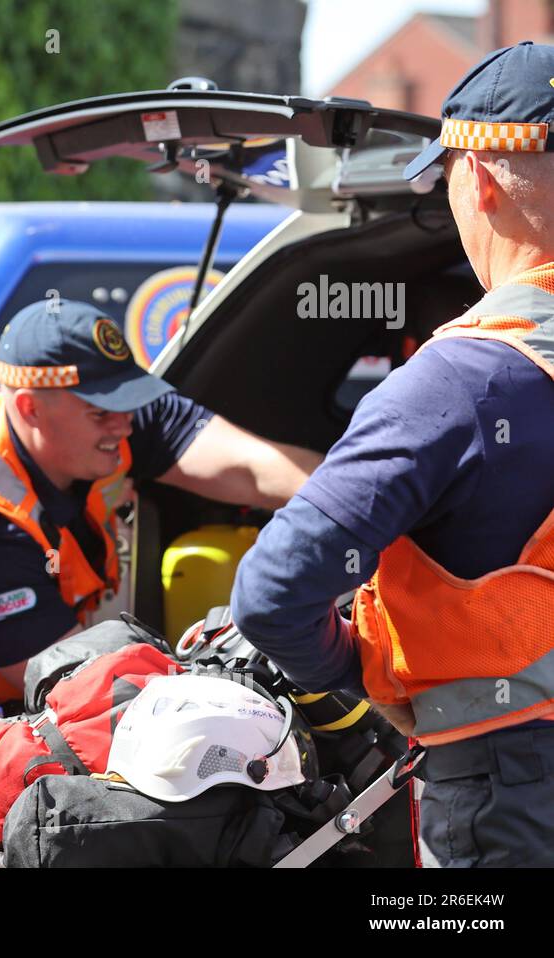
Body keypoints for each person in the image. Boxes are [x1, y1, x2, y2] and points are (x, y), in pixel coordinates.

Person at [230, 41, 554, 867]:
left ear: (477, 178)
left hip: (507, 794)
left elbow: (272, 594)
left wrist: (370, 677)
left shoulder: (459, 383)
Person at [0, 299, 322, 779]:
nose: (126, 422)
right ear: (28, 406)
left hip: (27, 719)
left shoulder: (104, 416)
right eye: (103, 412)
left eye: (128, 400)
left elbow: (253, 468)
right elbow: (100, 693)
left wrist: (363, 512)